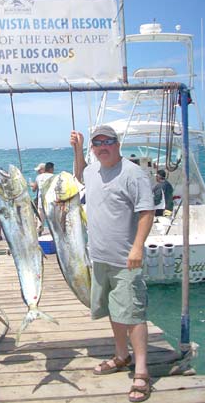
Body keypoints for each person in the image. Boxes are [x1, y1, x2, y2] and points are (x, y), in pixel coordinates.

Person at [71, 125, 154, 403]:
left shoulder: (133, 173)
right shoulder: (93, 170)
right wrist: (77, 148)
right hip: (99, 258)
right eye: (97, 143)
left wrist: (137, 247)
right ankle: (121, 356)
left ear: (117, 144)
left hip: (125, 260)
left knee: (132, 314)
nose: (102, 146)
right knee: (114, 310)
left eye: (108, 142)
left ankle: (141, 371)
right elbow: (80, 172)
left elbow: (146, 211)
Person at [32, 162, 55, 236]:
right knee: (52, 221)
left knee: (40, 221)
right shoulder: (54, 177)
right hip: (51, 202)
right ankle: (53, 235)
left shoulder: (39, 177)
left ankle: (39, 235)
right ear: (51, 169)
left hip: (40, 203)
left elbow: (34, 189)